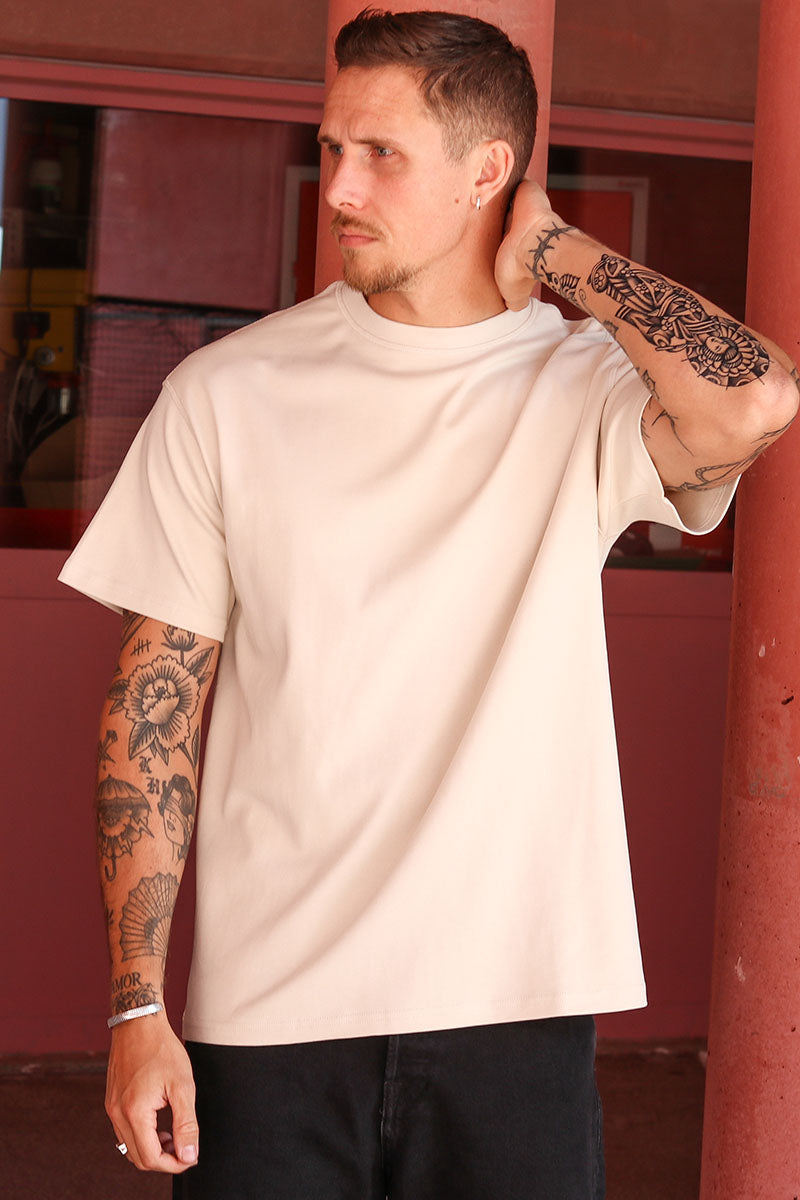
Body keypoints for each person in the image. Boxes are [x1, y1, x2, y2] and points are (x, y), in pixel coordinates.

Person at [59, 8, 798, 1198]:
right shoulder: (226, 394)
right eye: (332, 148)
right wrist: (137, 1005)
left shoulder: (580, 389)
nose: (340, 186)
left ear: (486, 170)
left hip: (513, 1009)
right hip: (268, 1015)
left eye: (381, 154)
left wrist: (556, 252)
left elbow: (756, 396)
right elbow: (152, 709)